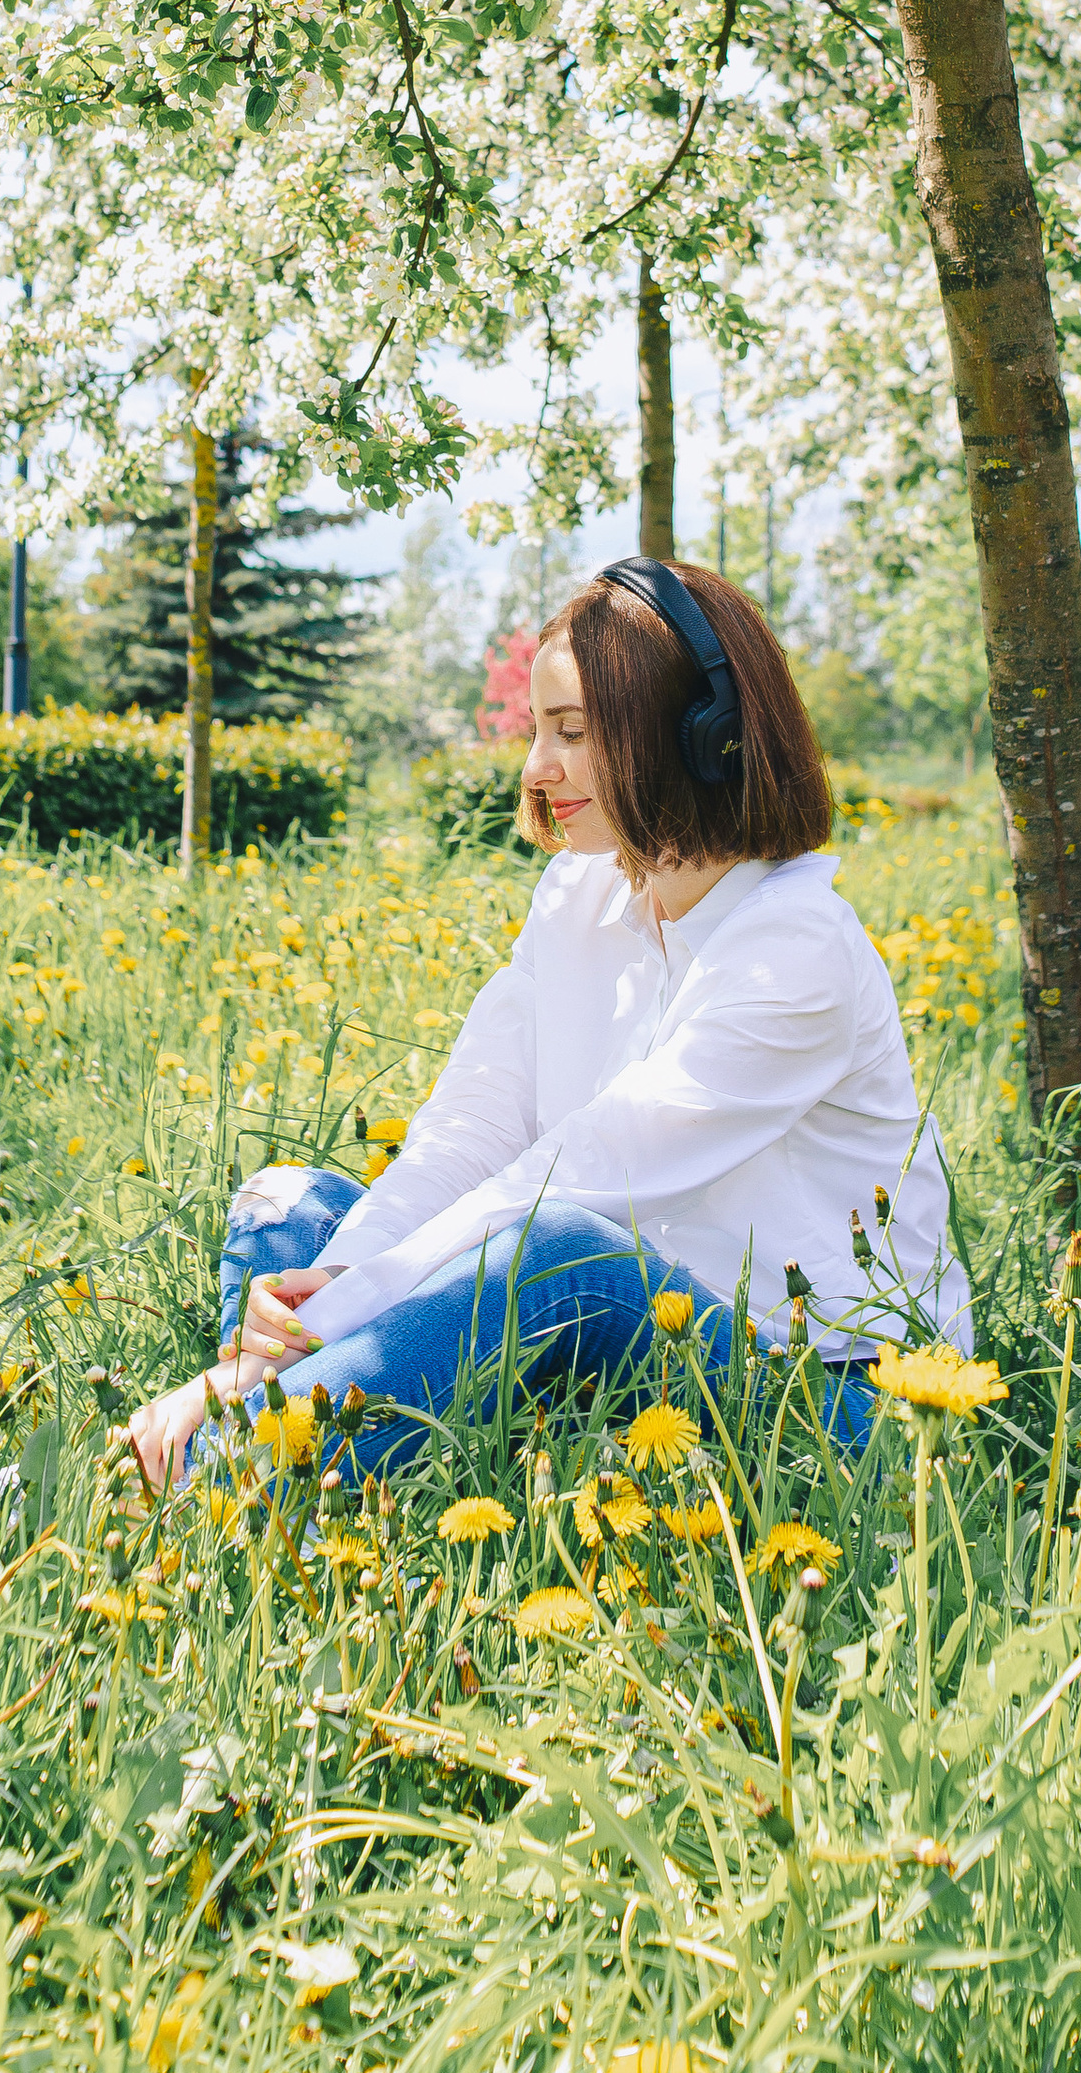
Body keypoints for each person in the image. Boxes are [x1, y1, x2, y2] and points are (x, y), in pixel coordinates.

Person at [121, 556, 967, 1489]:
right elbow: (468, 1138)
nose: (536, 771)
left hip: (828, 1401)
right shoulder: (581, 891)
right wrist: (322, 1302)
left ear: (699, 737)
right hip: (617, 1348)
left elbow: (579, 1179)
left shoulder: (794, 951)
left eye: (572, 732)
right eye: (537, 731)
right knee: (293, 1211)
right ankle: (298, 1439)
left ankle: (211, 1480)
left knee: (560, 1256)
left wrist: (299, 1338)